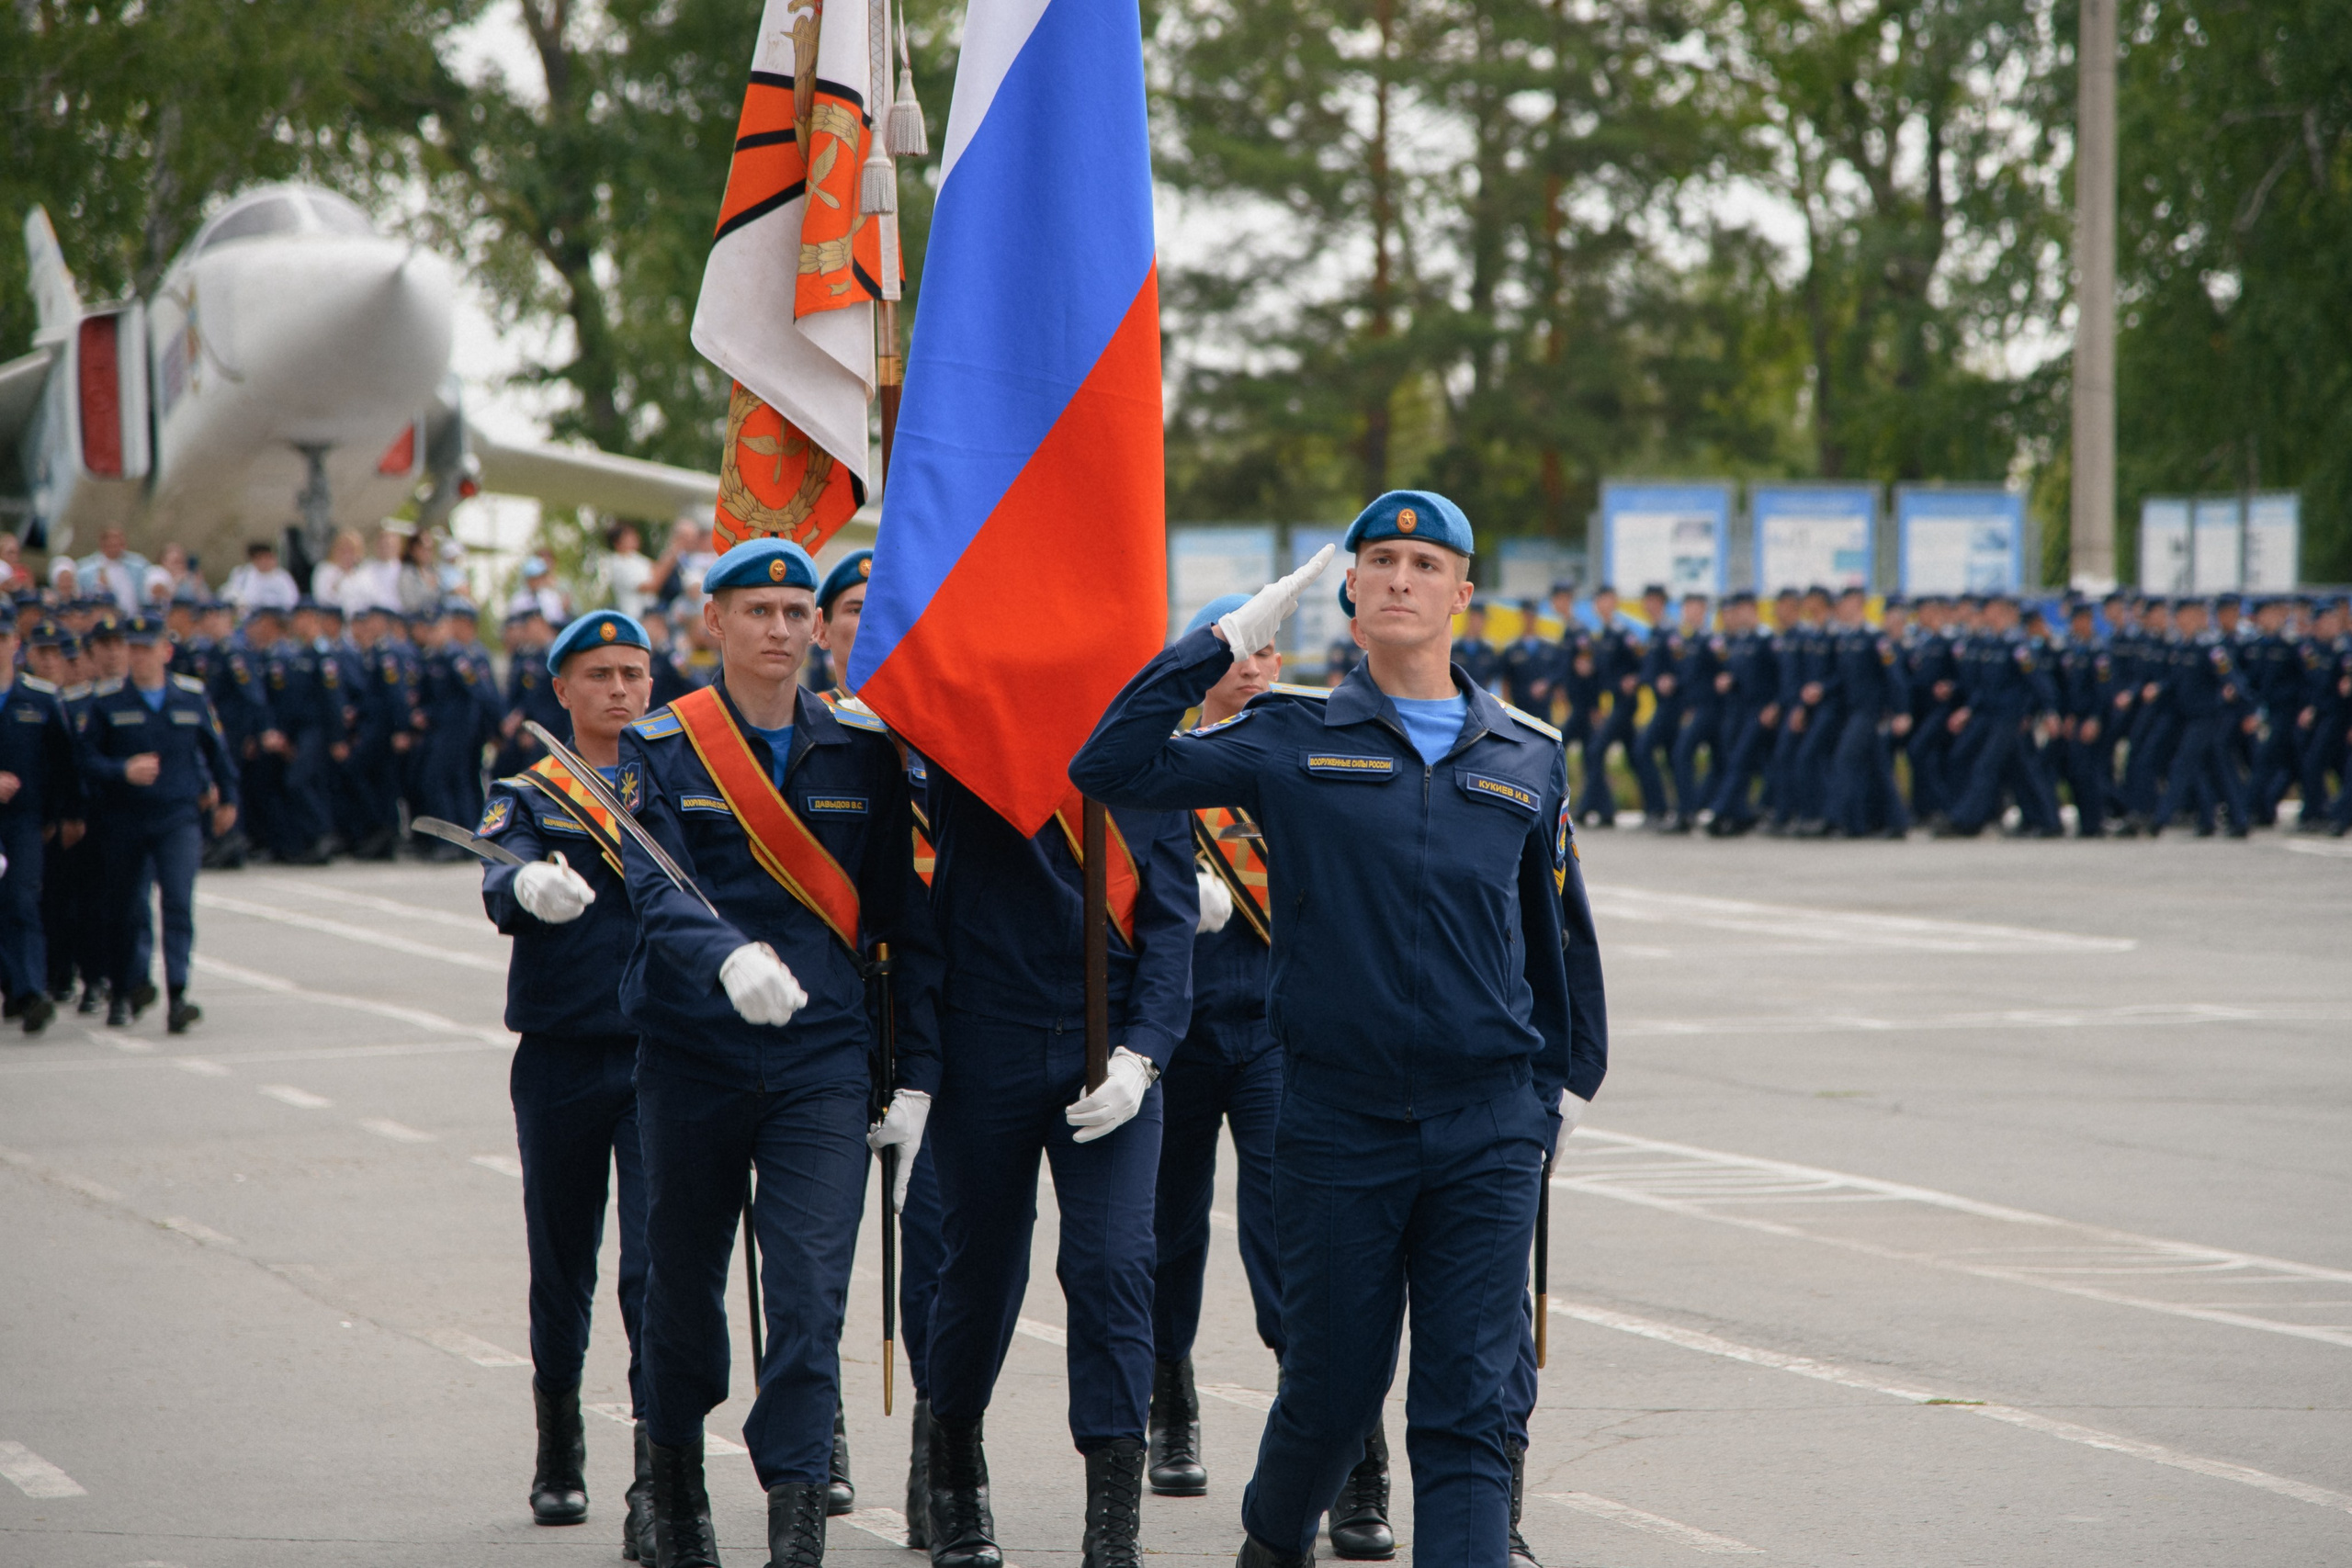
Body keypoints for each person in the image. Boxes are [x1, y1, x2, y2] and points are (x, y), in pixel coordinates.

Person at [1071, 489, 1609, 1568]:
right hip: (1335, 1123)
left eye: (1424, 562)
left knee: (1465, 1404)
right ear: (1351, 592)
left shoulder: (1524, 753)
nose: (1401, 577)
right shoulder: (1287, 736)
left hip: (1485, 1124)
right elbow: (1109, 767)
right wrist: (1214, 646)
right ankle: (1271, 1544)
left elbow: (1557, 938)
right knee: (1328, 1393)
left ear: (1463, 594)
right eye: (1381, 561)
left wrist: (1557, 1088)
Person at [616, 536, 943, 1568]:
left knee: (807, 1297)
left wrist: (920, 1071)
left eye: (797, 613)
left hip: (821, 1062)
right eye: (757, 611)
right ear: (713, 622)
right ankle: (670, 1480)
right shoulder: (661, 747)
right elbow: (653, 886)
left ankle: (796, 1527)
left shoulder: (860, 749)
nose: (780, 630)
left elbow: (903, 922)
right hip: (692, 1054)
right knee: (679, 1293)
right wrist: (724, 958)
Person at [916, 671, 1198, 1562]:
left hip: (1105, 1047)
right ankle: (955, 1466)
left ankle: (1111, 1516)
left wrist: (1143, 1051)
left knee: (1115, 1265)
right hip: (987, 1041)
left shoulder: (1149, 774)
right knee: (981, 1272)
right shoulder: (973, 754)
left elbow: (1171, 930)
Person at [476, 610, 660, 1554]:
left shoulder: (679, 781)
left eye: (635, 672)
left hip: (660, 1055)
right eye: (600, 675)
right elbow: (497, 869)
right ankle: (558, 1441)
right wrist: (524, 889)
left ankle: (654, 1464)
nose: (622, 690)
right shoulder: (532, 790)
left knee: (653, 1271)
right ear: (562, 690)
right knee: (563, 1261)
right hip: (559, 1053)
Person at [1143, 594, 1287, 1507]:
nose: (1248, 663)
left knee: (1291, 1232)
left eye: (1263, 649)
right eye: (1231, 648)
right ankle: (1170, 1404)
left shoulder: (1302, 751)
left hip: (1276, 1028)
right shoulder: (1164, 759)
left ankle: (1333, 1429)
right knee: (1167, 1232)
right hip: (1178, 1029)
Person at [76, 614, 238, 1032]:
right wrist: (121, 770)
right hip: (125, 817)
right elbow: (86, 759)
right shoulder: (109, 701)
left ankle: (179, 993)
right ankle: (125, 986)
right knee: (126, 908)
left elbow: (218, 752)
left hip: (177, 816)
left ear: (165, 652)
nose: (141, 657)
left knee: (178, 903)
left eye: (149, 649)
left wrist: (228, 798)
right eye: (135, 649)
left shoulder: (190, 697)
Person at [0, 611, 81, 1033]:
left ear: (16, 645)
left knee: (23, 900)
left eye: (3, 639)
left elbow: (63, 764)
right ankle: (12, 981)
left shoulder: (40, 699)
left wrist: (63, 814)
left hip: (25, 819)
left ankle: (31, 990)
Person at [76, 526, 153, 613]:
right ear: (103, 545)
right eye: (111, 545)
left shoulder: (139, 567)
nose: (115, 549)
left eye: (119, 545)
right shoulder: (86, 571)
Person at [223, 541, 300, 614]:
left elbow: (291, 600)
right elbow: (231, 595)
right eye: (261, 558)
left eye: (269, 558)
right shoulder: (242, 574)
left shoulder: (283, 577)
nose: (266, 562)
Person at [606, 523, 657, 620]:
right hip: (636, 617)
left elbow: (657, 570)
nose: (635, 538)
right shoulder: (618, 563)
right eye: (629, 536)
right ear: (617, 542)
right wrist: (673, 551)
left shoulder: (638, 559)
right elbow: (649, 586)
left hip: (651, 612)